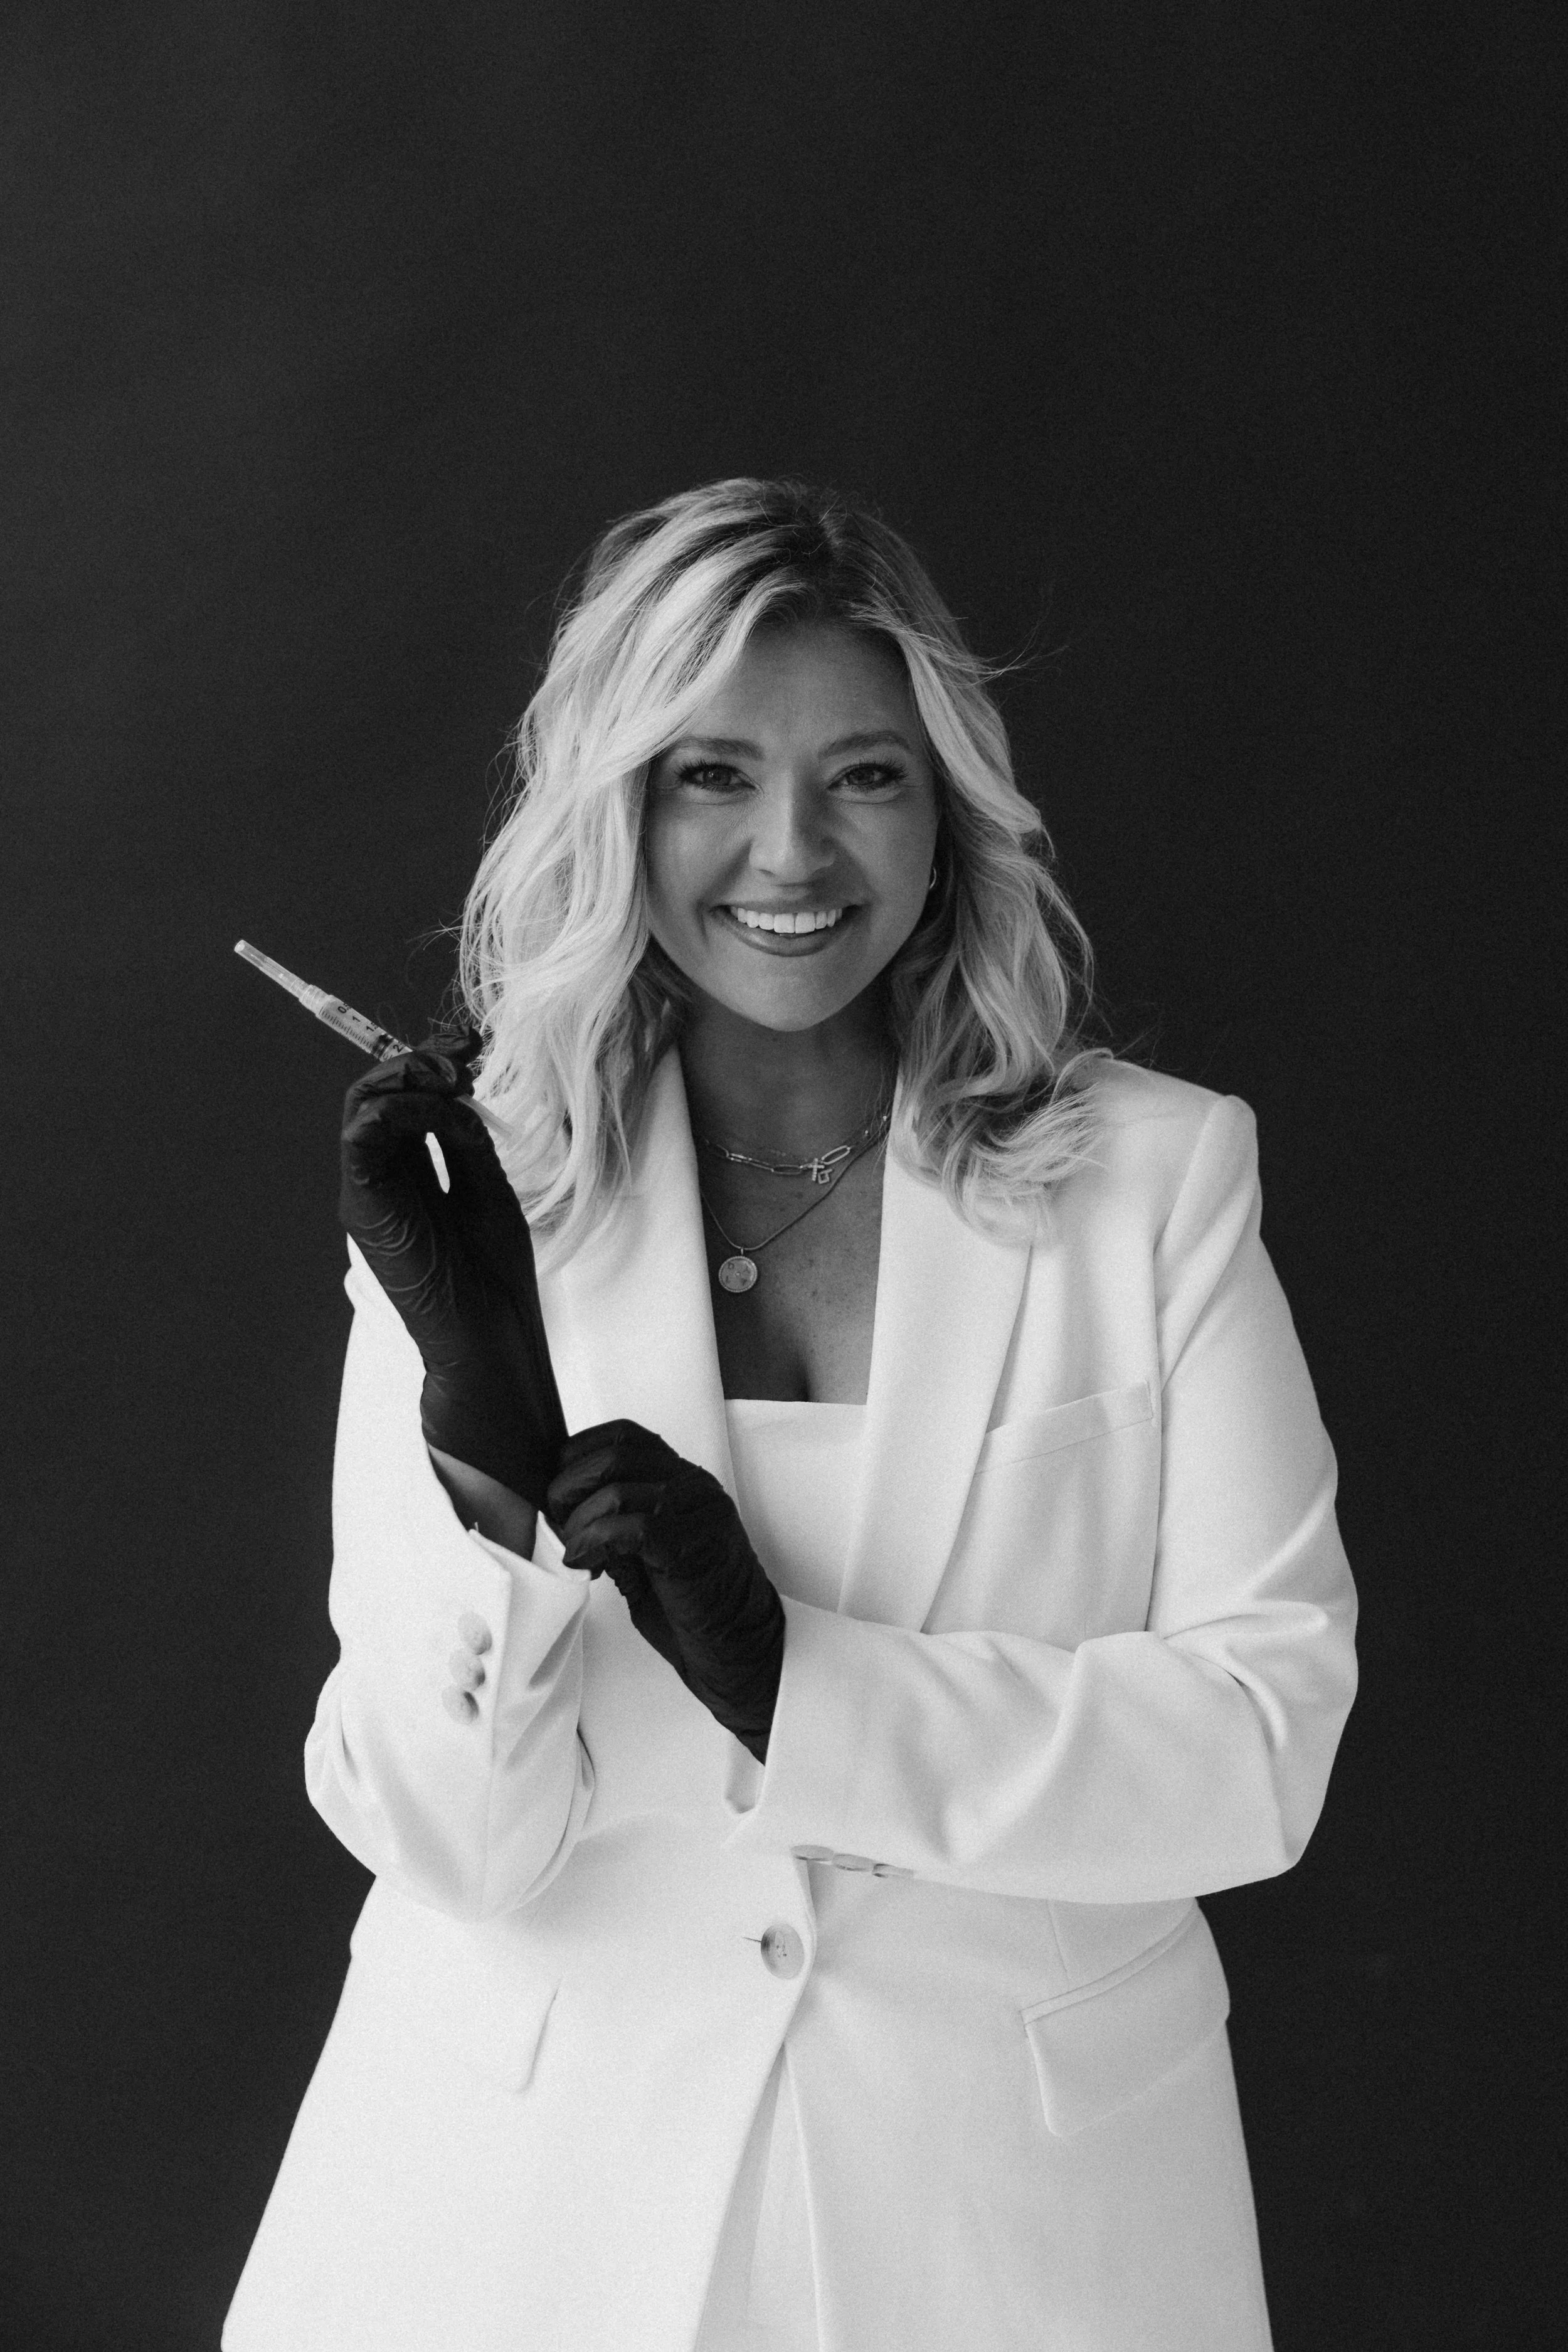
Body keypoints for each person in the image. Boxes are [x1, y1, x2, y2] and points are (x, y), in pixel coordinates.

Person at [223, 477, 1358, 2352]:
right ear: (618, 804)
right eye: (707, 775)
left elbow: (1259, 1737)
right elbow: (443, 1844)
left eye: (863, 775)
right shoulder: (483, 1198)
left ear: (949, 808)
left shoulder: (1157, 1178)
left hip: (1019, 2228)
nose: (788, 850)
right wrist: (481, 1450)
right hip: (514, 2215)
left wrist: (793, 1681)